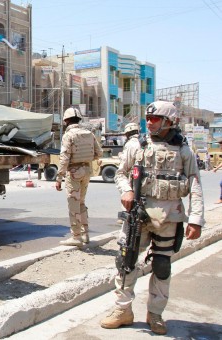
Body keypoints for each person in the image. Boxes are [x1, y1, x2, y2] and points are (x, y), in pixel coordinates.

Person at [100, 101, 204, 335]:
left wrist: (196, 219)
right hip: (139, 215)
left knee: (162, 265)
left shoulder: (184, 150)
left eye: (155, 119)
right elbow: (121, 173)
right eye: (148, 118)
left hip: (170, 218)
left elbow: (195, 184)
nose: (149, 122)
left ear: (170, 122)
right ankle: (122, 310)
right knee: (126, 263)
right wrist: (126, 190)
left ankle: (155, 313)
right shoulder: (136, 145)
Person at [54, 107, 103, 246]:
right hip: (87, 170)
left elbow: (64, 158)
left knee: (73, 204)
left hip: (74, 172)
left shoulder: (68, 135)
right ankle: (85, 234)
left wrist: (59, 178)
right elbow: (99, 153)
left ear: (66, 121)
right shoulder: (89, 133)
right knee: (81, 202)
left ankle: (76, 236)